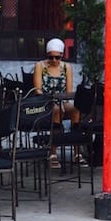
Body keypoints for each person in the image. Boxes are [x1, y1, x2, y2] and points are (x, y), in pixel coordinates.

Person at [32, 38, 82, 168]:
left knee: (76, 110)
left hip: (62, 101)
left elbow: (69, 91)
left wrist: (61, 100)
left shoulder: (66, 67)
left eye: (57, 57)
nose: (54, 60)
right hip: (45, 103)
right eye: (51, 57)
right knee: (56, 110)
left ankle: (77, 151)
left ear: (61, 55)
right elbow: (38, 90)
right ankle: (53, 152)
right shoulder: (40, 66)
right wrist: (52, 99)